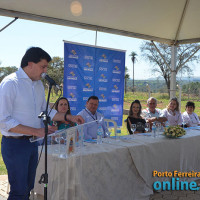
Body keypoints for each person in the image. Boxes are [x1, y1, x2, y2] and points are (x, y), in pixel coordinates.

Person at [0, 47, 84, 200]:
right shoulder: (11, 84)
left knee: (28, 187)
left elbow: (44, 111)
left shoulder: (38, 85)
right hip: (15, 145)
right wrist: (36, 131)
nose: (45, 72)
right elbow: (3, 121)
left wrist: (69, 117)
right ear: (30, 64)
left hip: (33, 144)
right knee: (19, 191)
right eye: (43, 66)